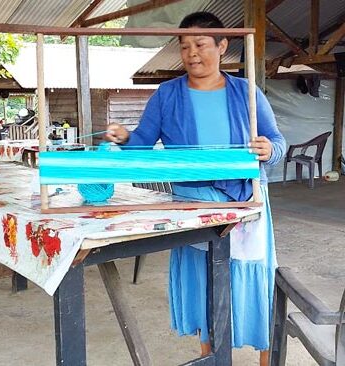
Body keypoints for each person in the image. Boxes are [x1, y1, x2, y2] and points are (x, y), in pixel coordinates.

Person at [105, 12, 285, 366]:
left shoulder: (246, 92)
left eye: (200, 44)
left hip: (246, 201)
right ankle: (211, 356)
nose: (191, 54)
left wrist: (270, 149)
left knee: (250, 276)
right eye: (184, 46)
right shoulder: (167, 94)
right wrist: (126, 138)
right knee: (204, 281)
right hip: (192, 204)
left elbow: (276, 141)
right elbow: (142, 142)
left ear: (222, 45)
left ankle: (264, 357)